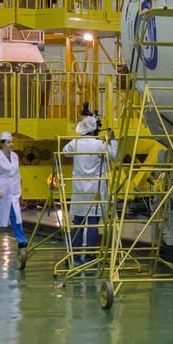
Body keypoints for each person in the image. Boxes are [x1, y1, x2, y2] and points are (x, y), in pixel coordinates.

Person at [61, 109, 118, 265]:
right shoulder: (100, 145)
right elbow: (115, 156)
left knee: (78, 223)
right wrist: (113, 139)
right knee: (93, 224)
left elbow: (64, 152)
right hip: (95, 191)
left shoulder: (75, 143)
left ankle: (75, 256)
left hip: (80, 190)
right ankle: (89, 257)